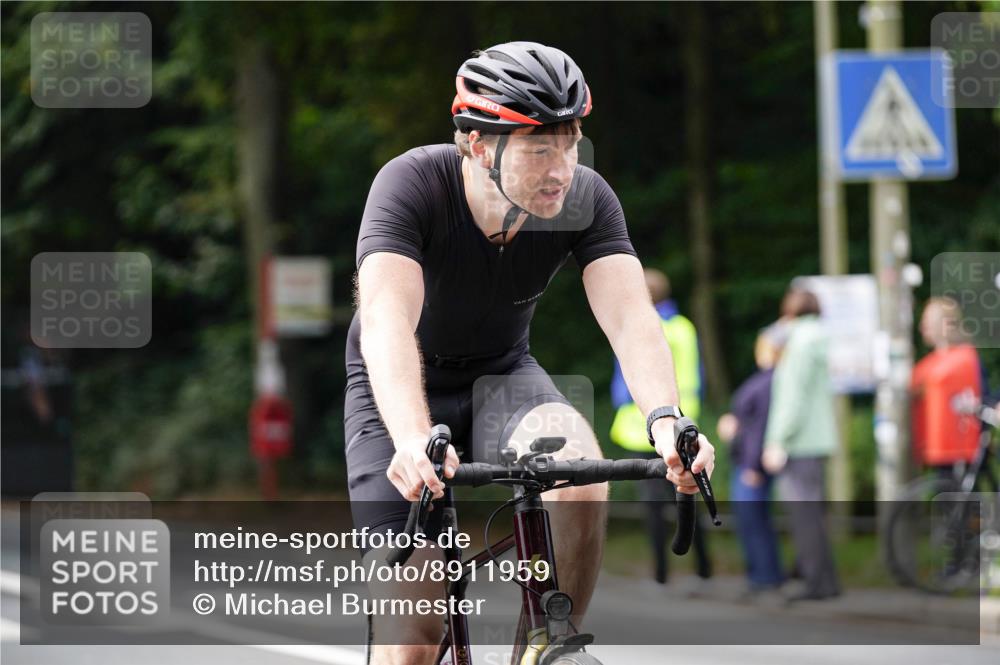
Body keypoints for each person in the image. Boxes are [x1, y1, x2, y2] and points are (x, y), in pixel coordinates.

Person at [345, 41, 716, 664]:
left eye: (570, 145)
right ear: (479, 145)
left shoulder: (583, 199)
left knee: (580, 478)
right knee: (413, 637)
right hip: (401, 387)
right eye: (541, 149)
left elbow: (630, 317)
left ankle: (548, 645)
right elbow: (386, 319)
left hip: (504, 375)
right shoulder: (411, 184)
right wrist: (411, 438)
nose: (562, 169)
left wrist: (666, 421)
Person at [609, 268, 711, 586]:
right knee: (690, 498)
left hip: (641, 429)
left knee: (653, 509)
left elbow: (626, 382)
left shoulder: (641, 327)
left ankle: (661, 577)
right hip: (683, 425)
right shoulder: (684, 327)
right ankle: (704, 572)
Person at [762, 287, 840, 602]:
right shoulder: (819, 337)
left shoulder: (798, 343)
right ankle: (827, 581)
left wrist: (777, 441)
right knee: (814, 514)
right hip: (818, 439)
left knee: (803, 515)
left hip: (799, 441)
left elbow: (791, 398)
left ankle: (813, 583)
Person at [716, 324, 787, 598]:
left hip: (750, 465)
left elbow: (759, 427)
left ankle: (764, 578)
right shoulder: (771, 379)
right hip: (749, 461)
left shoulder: (770, 381)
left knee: (754, 522)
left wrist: (752, 466)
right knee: (755, 522)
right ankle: (763, 576)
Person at [911, 297, 985, 470]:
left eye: (928, 323)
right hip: (938, 443)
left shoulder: (963, 358)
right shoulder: (934, 361)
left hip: (958, 444)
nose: (923, 328)